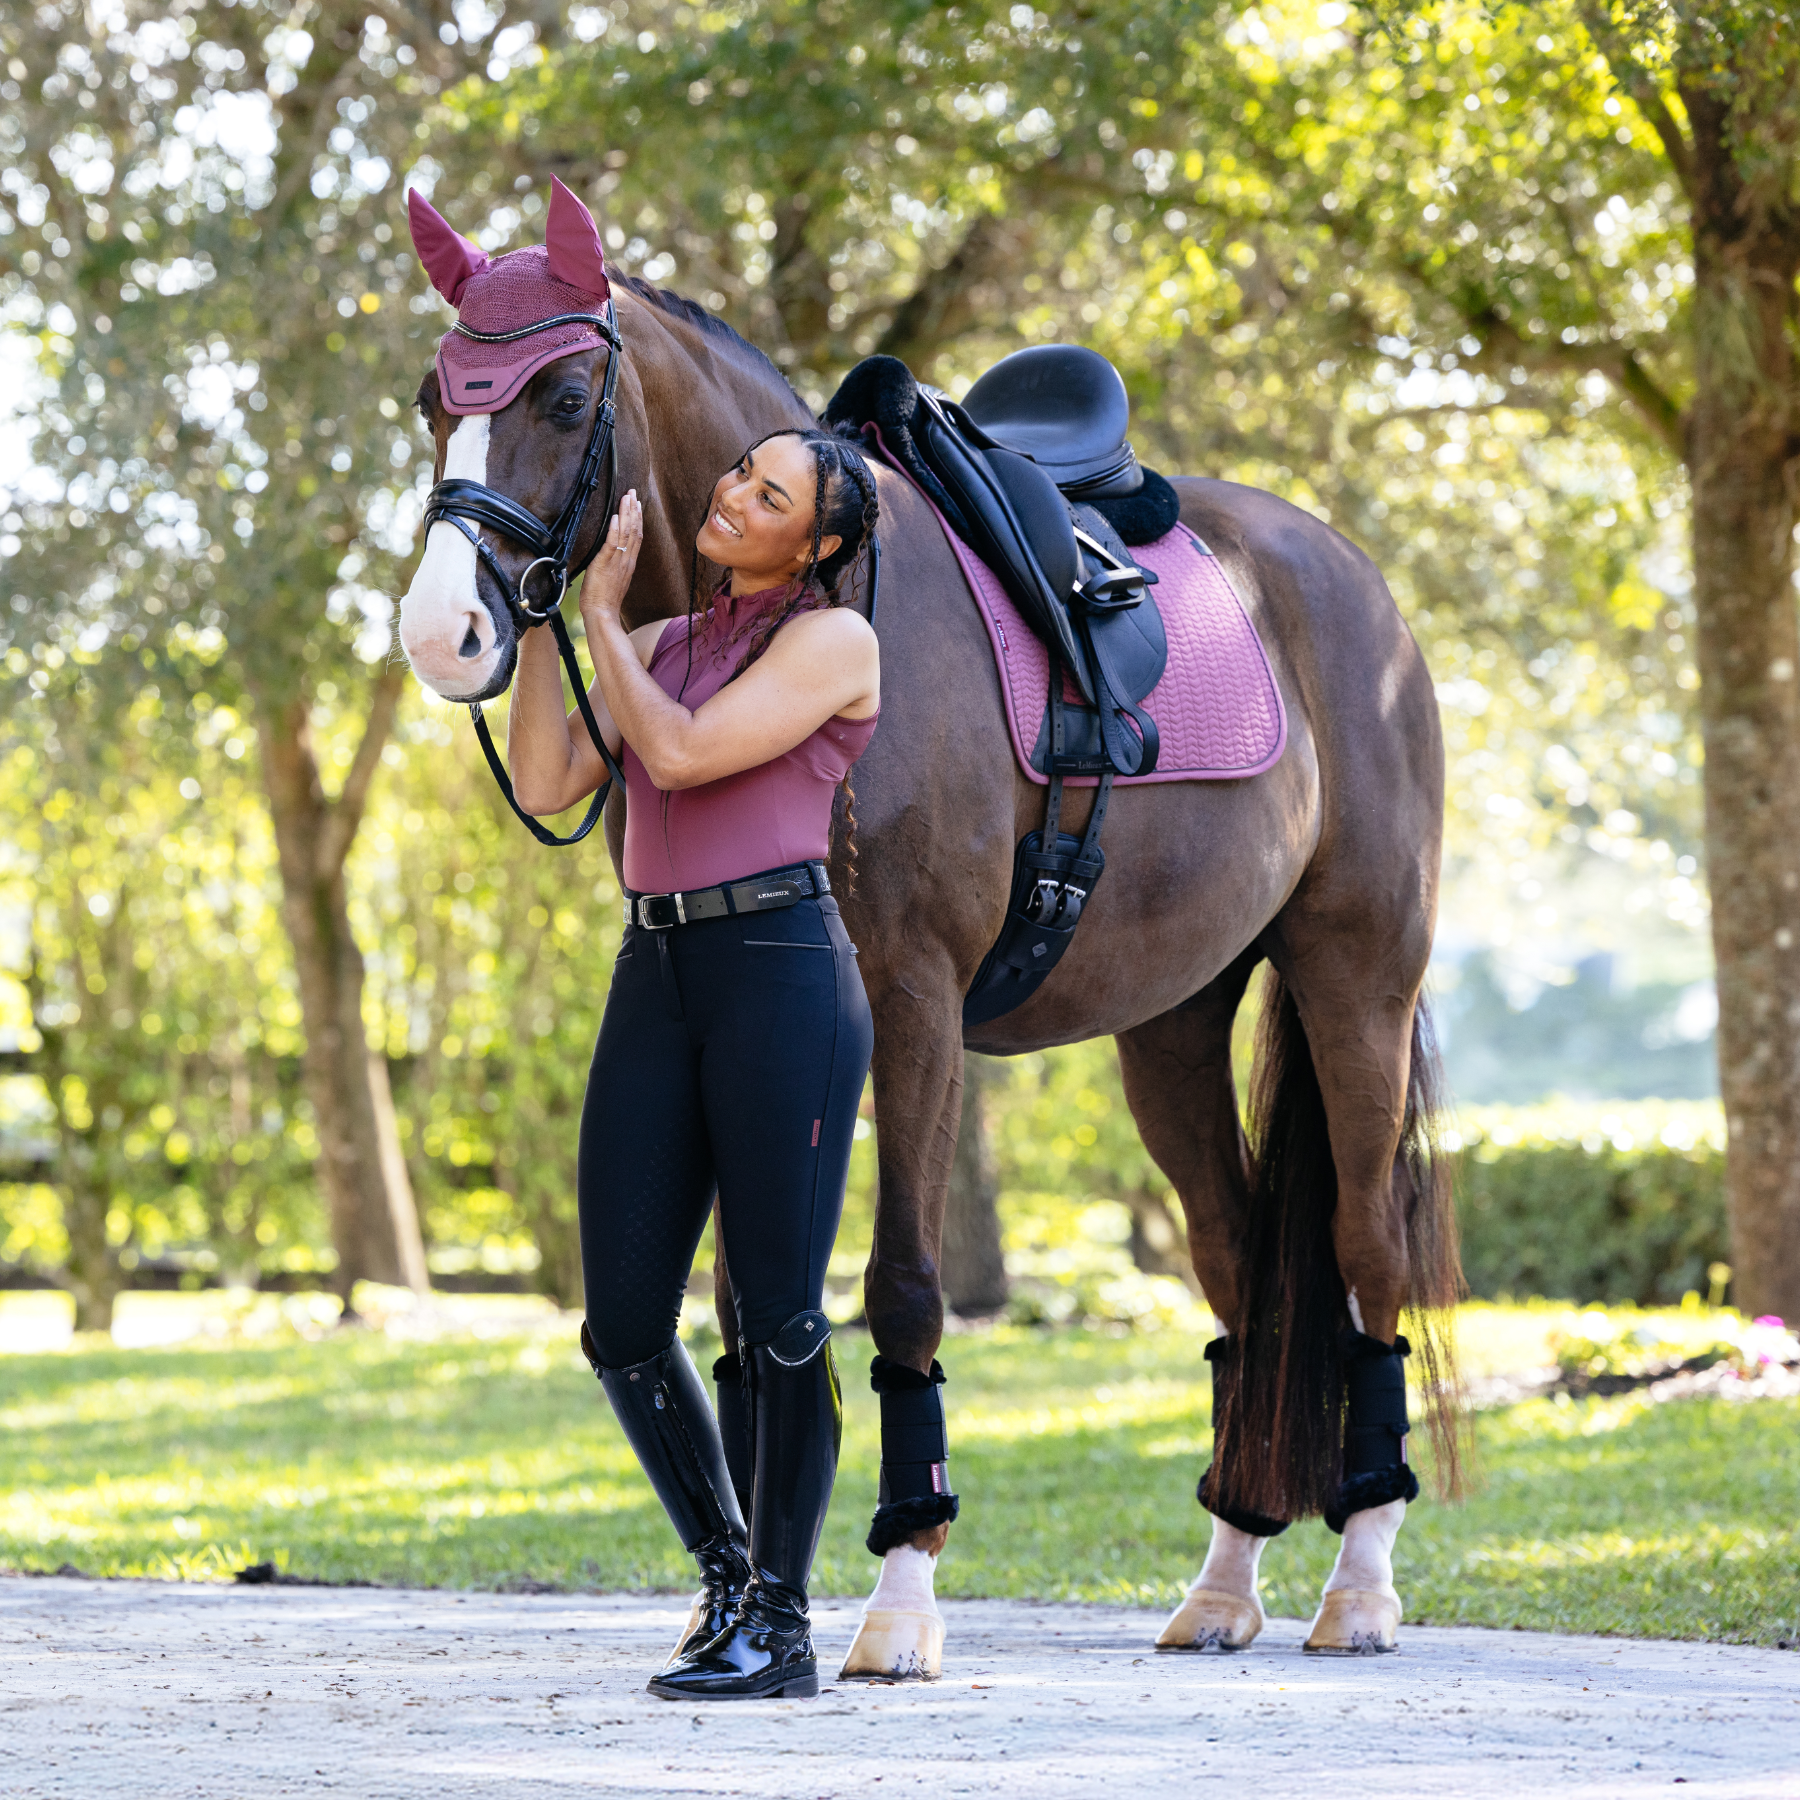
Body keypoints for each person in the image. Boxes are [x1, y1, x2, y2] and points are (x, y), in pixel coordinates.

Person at [507, 425, 882, 1702]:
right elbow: (555, 777)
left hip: (781, 971)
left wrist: (605, 615)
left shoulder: (835, 644)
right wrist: (550, 624)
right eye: (738, 474)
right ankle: (727, 1575)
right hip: (654, 973)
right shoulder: (663, 645)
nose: (734, 496)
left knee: (776, 1317)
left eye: (771, 494)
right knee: (620, 1322)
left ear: (818, 541)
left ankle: (780, 1622)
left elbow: (676, 754)